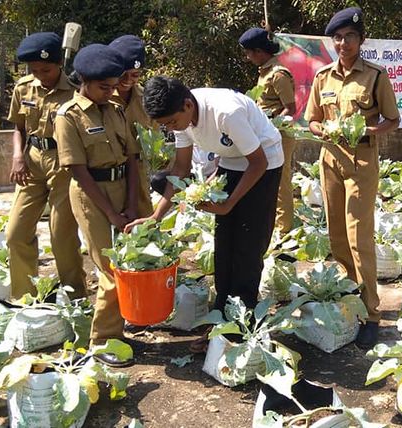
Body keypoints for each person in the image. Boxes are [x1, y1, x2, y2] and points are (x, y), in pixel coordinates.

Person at [127, 77, 283, 352]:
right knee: (224, 248)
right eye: (165, 125)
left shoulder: (226, 112)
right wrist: (155, 217)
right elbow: (180, 169)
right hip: (232, 163)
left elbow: (258, 162)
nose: (170, 128)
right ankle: (221, 319)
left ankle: (239, 329)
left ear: (187, 105)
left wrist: (230, 202)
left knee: (248, 248)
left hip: (264, 163)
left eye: (172, 123)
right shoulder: (181, 116)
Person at [305, 7, 400, 348]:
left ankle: (372, 313)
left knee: (359, 238)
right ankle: (351, 298)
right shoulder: (322, 78)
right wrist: (323, 129)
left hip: (361, 161)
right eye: (338, 37)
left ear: (361, 40)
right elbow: (312, 119)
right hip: (330, 159)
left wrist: (368, 128)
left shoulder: (375, 77)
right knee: (336, 238)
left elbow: (393, 119)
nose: (343, 43)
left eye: (349, 37)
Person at [54, 44, 141, 367]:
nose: (110, 92)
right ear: (84, 83)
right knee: (110, 268)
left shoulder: (115, 110)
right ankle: (102, 342)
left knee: (127, 265)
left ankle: (116, 333)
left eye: (113, 86)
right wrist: (111, 214)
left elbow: (131, 158)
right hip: (92, 197)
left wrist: (131, 206)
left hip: (122, 190)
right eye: (104, 87)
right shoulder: (68, 117)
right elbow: (79, 171)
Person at [5, 32, 87, 299]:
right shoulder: (23, 88)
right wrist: (18, 156)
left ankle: (75, 297)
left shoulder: (75, 90)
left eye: (46, 69)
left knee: (61, 237)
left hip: (64, 164)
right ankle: (24, 297)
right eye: (35, 70)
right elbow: (18, 127)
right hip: (31, 162)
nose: (41, 74)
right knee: (15, 233)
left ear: (59, 65)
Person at [238, 28, 297, 234]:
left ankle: (283, 231)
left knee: (281, 182)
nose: (247, 57)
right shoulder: (265, 72)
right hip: (265, 134)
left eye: (249, 52)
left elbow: (291, 108)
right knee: (266, 181)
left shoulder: (278, 74)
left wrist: (268, 120)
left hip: (280, 134)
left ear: (259, 51)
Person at [109, 34, 155, 218]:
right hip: (110, 177)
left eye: (134, 75)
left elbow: (154, 137)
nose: (128, 80)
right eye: (122, 74)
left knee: (142, 229)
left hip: (139, 178)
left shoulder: (146, 100)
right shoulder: (100, 99)